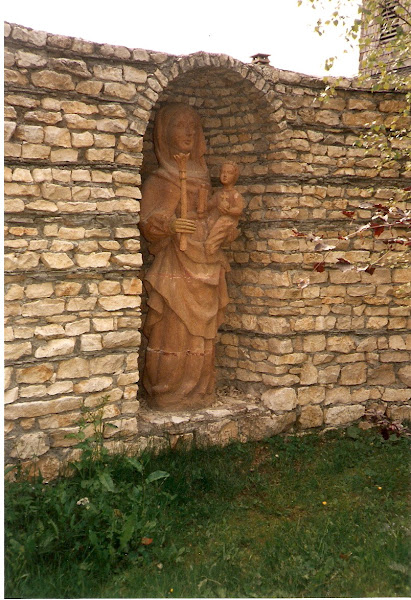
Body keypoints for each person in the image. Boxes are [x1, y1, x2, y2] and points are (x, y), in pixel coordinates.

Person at [140, 103, 237, 411]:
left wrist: (224, 231)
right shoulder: (161, 178)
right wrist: (169, 224)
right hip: (175, 265)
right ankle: (166, 392)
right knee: (172, 330)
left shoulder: (205, 178)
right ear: (167, 133)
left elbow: (211, 214)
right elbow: (146, 220)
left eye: (192, 127)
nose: (188, 132)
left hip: (206, 264)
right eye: (180, 126)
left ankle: (199, 391)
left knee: (202, 336)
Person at [205, 161, 245, 256]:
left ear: (235, 176)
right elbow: (209, 205)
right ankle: (209, 246)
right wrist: (202, 202)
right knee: (208, 222)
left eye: (229, 173)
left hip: (227, 221)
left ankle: (210, 247)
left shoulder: (235, 194)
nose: (225, 175)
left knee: (222, 223)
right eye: (223, 172)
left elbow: (239, 209)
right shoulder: (218, 194)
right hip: (215, 220)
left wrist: (229, 211)